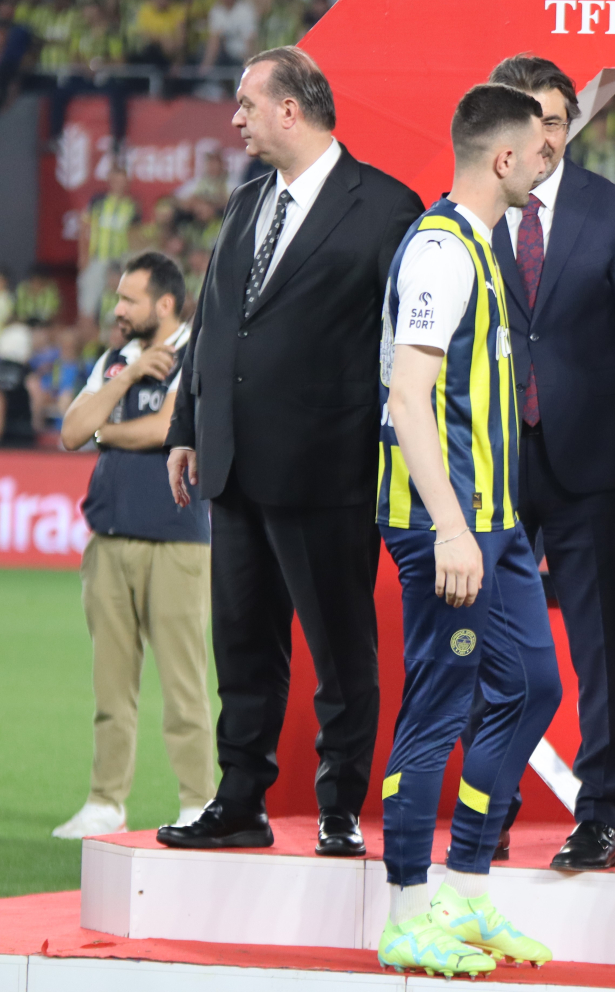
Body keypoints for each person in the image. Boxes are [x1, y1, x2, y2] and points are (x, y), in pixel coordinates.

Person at [158, 46, 424, 856]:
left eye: (247, 103)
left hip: (328, 470)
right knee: (242, 645)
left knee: (341, 650)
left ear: (291, 109)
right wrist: (186, 427)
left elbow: (406, 346)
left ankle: (340, 805)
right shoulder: (247, 200)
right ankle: (241, 800)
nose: (235, 118)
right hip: (233, 464)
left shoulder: (386, 206)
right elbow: (213, 321)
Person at [372, 82, 563, 978]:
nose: (549, 157)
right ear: (503, 157)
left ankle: (466, 890)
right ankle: (406, 913)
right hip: (445, 523)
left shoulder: (480, 246)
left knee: (531, 688)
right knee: (438, 705)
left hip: (494, 520)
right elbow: (409, 396)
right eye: (539, 147)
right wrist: (449, 527)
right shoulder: (442, 252)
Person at [480, 54, 615, 871]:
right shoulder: (467, 209)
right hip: (492, 465)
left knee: (599, 649)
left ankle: (600, 815)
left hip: (591, 467)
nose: (545, 136)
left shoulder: (610, 208)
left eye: (556, 119)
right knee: (491, 645)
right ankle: (488, 808)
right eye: (530, 119)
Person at [52, 251, 213, 840]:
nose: (117, 308)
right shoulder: (115, 360)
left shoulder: (199, 352)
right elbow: (72, 431)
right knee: (111, 686)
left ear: (164, 304)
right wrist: (127, 374)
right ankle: (105, 802)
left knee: (184, 686)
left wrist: (105, 431)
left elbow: (166, 428)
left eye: (129, 299)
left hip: (177, 540)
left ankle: (198, 801)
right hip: (108, 541)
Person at [77, 165, 138, 321]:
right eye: (115, 180)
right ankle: (87, 330)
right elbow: (85, 228)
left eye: (122, 181)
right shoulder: (97, 201)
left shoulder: (132, 205)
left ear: (127, 183)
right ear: (109, 181)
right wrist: (83, 257)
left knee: (118, 303)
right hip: (97, 258)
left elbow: (134, 235)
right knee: (88, 303)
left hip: (120, 260)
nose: (118, 184)